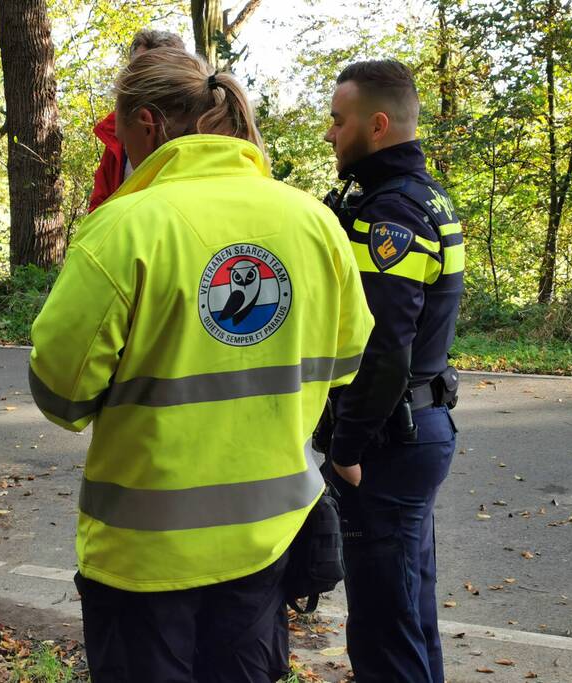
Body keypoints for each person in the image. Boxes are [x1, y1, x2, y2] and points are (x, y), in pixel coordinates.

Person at [28, 47, 373, 682]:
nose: (120, 143)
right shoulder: (314, 222)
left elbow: (61, 394)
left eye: (119, 127)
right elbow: (346, 359)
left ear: (149, 124)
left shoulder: (124, 229)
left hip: (142, 556)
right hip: (265, 544)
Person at [320, 59, 464, 683]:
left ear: (376, 125)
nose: (329, 134)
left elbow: (383, 348)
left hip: (387, 440)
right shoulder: (421, 195)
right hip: (413, 428)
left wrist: (347, 445)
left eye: (337, 120)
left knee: (384, 633)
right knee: (408, 617)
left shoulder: (393, 215)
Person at [87, 29, 185, 213]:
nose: (143, 82)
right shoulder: (116, 137)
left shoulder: (204, 131)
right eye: (137, 71)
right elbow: (99, 207)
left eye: (153, 71)